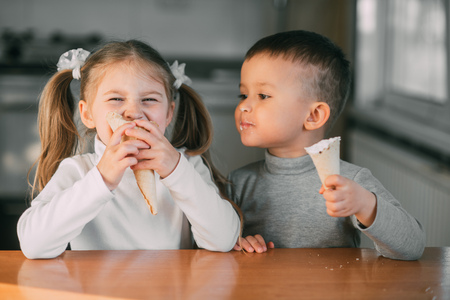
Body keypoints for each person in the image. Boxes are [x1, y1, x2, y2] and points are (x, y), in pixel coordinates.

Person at [18, 40, 241, 259]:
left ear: (168, 113)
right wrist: (101, 180)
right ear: (87, 114)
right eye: (116, 99)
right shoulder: (78, 171)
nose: (133, 112)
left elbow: (223, 240)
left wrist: (176, 171)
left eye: (149, 99)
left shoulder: (187, 165)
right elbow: (33, 245)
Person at [226, 30, 425, 260]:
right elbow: (205, 251)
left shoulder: (350, 182)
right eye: (243, 95)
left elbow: (413, 246)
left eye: (262, 96)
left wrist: (365, 205)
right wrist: (235, 244)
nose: (244, 107)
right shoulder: (236, 184)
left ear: (314, 115)